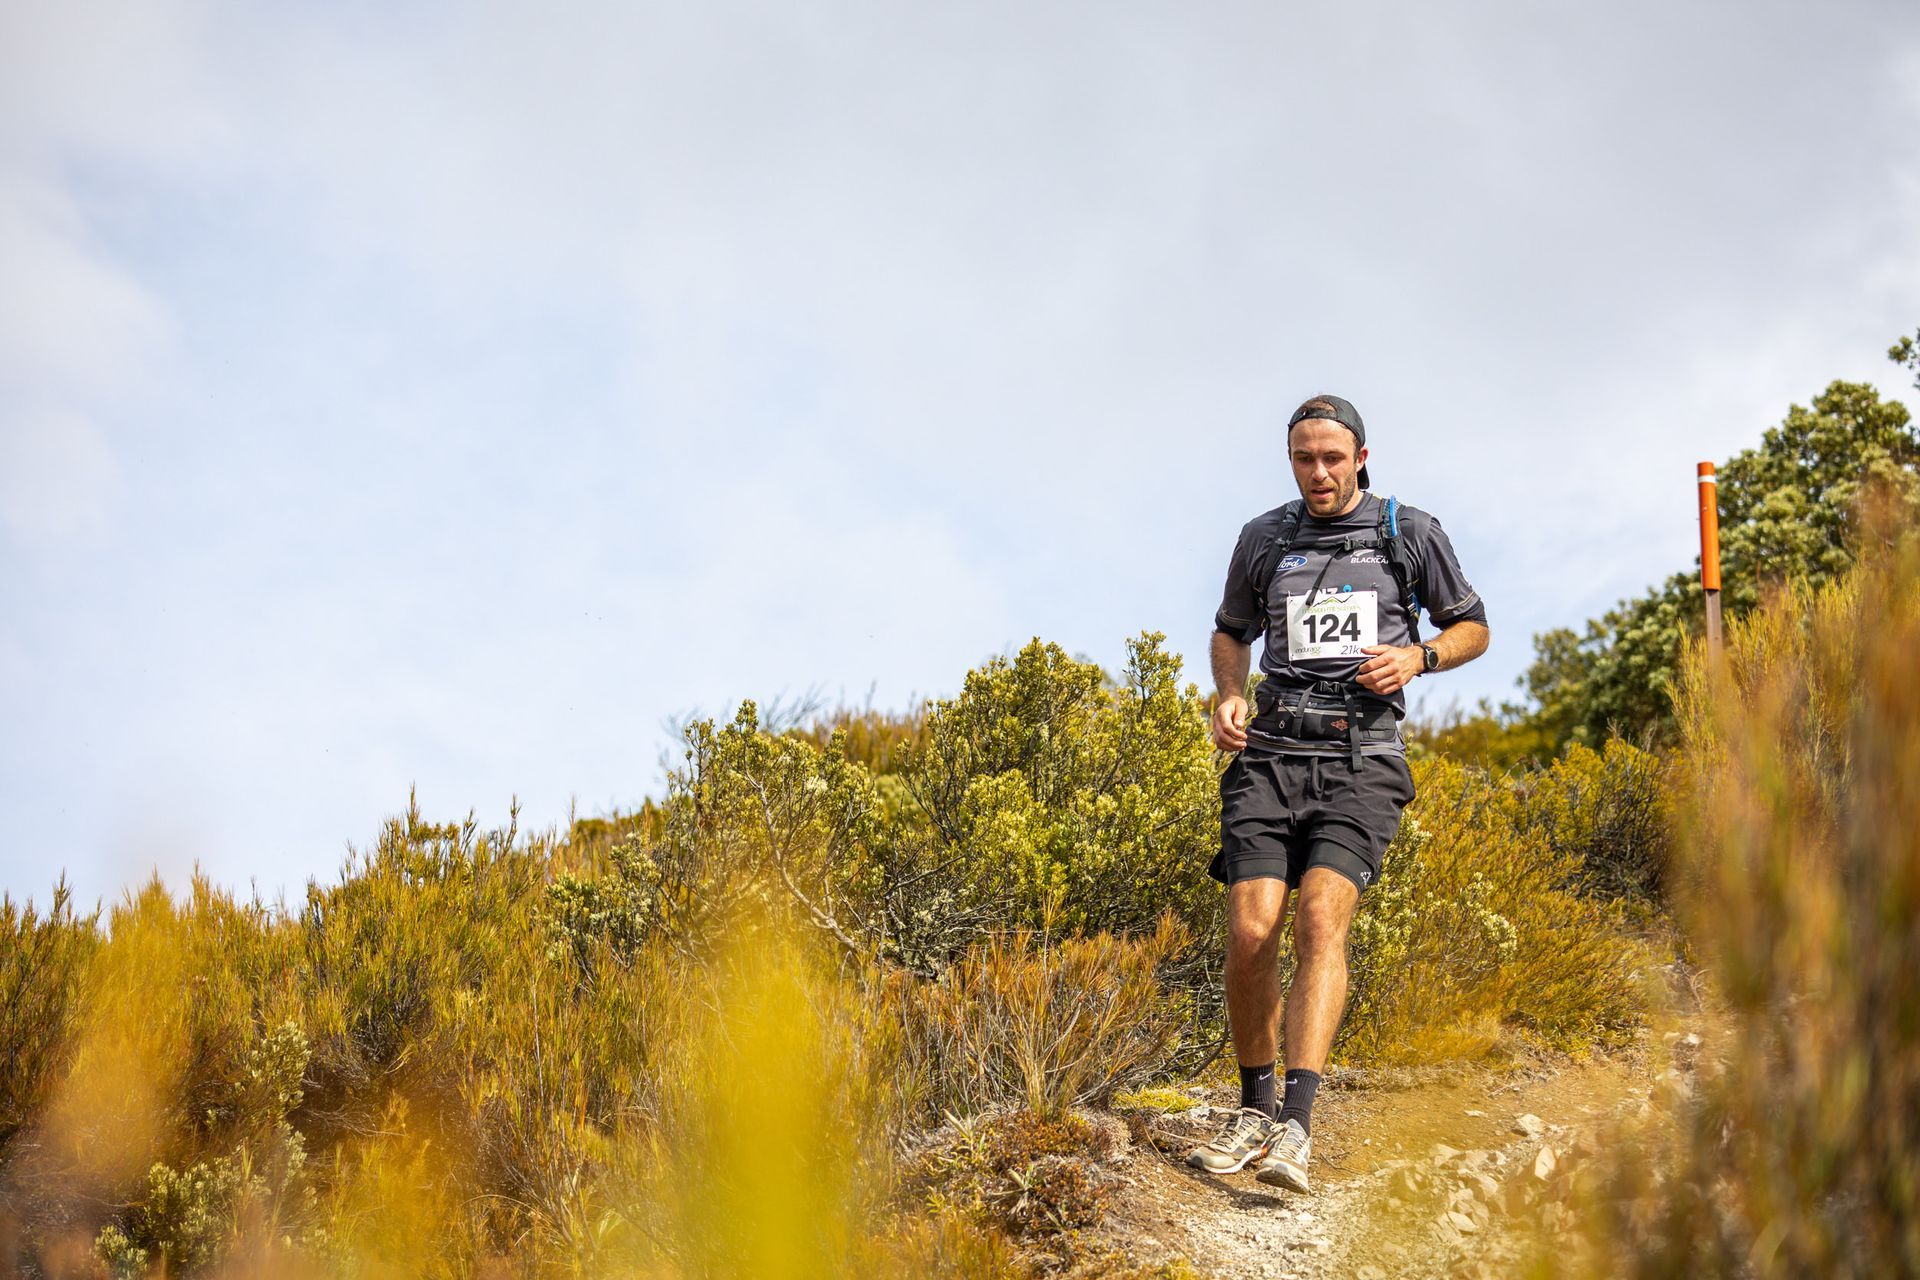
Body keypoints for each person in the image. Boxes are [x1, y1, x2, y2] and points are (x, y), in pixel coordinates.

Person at [1186, 394, 1489, 1193]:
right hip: (1269, 755)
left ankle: (1297, 1125)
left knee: (1321, 918)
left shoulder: (1407, 532)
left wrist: (1419, 660)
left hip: (1363, 760)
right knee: (1253, 931)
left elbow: (1474, 626)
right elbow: (1229, 630)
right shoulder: (1265, 537)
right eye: (1302, 458)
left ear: (1360, 456)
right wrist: (1229, 692)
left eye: (1331, 458)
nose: (1317, 473)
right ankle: (1253, 1105)